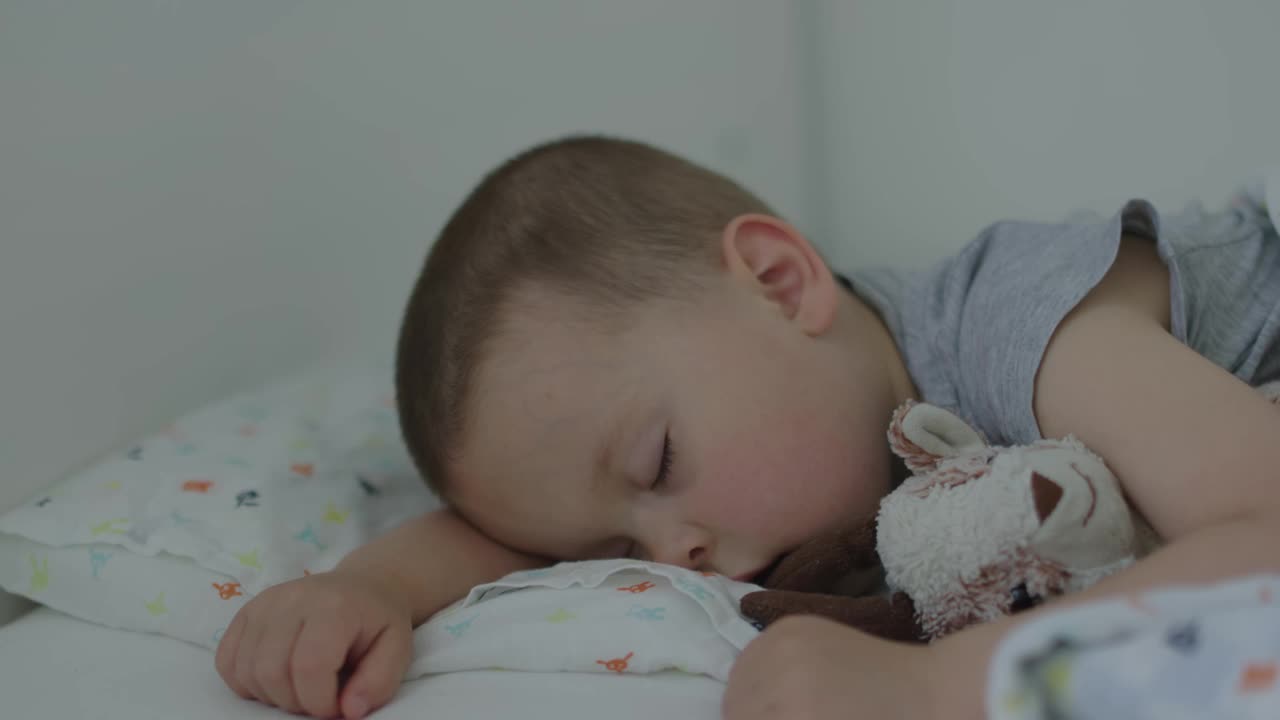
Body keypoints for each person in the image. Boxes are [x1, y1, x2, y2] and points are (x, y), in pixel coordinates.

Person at [214, 136, 1280, 720]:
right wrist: (368, 590)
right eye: (612, 551)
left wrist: (931, 690)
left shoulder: (1020, 322)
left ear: (778, 283)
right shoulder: (762, 435)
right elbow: (522, 521)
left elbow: (1262, 530)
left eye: (658, 463)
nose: (669, 554)